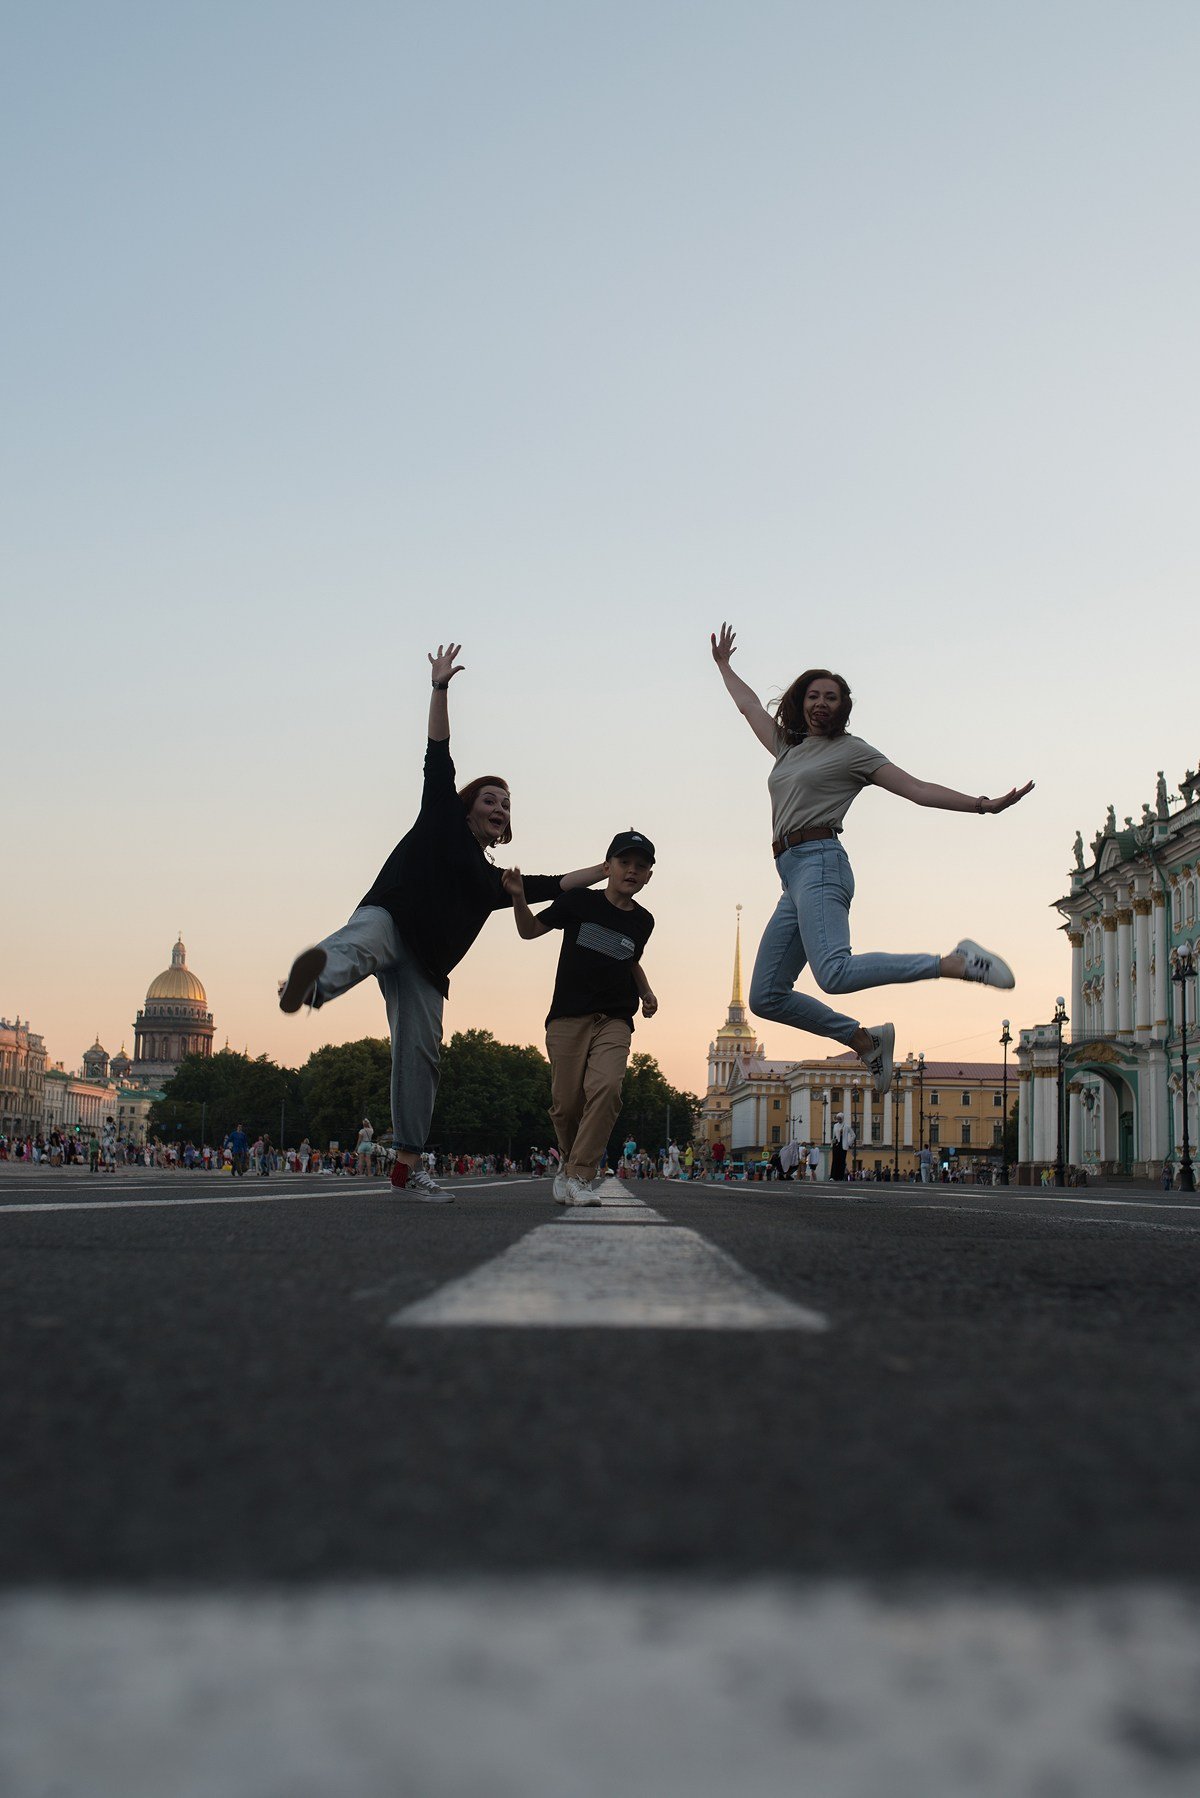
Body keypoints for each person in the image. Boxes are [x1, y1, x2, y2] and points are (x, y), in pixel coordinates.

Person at [279, 643, 605, 1203]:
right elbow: (438, 751)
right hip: (391, 919)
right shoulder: (440, 816)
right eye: (490, 799)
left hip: (427, 970)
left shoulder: (495, 882)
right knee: (359, 945)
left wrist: (606, 868)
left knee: (421, 1057)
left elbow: (555, 885)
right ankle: (311, 980)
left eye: (506, 805)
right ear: (468, 804)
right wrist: (439, 688)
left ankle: (407, 1168)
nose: (499, 808)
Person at [710, 624, 1033, 1093]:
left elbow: (917, 789)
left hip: (821, 862)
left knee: (834, 972)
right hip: (791, 876)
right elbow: (749, 706)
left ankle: (954, 962)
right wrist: (724, 665)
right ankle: (864, 1040)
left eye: (832, 697)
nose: (822, 703)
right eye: (814, 696)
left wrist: (982, 805)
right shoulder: (787, 747)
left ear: (843, 707)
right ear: (801, 701)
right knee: (765, 996)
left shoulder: (852, 751)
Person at [505, 830, 657, 1207]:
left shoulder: (644, 921)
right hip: (568, 1016)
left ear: (649, 876)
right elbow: (528, 931)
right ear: (607, 867)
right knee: (566, 1105)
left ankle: (579, 1175)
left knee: (607, 1088)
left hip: (615, 1019)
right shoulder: (578, 901)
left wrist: (646, 992)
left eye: (641, 866)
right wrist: (519, 897)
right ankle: (568, 1162)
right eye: (624, 862)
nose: (632, 871)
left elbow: (630, 959)